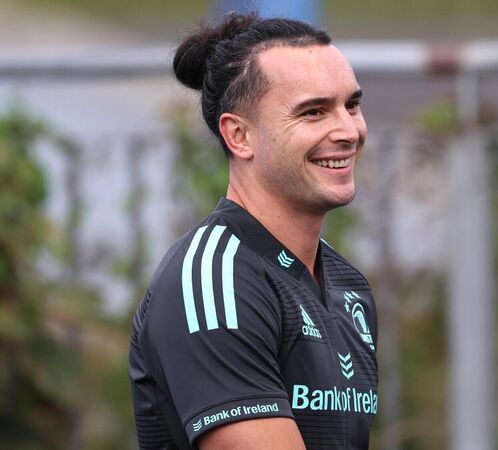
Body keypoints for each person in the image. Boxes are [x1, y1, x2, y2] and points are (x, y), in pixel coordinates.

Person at [128, 12, 378, 450]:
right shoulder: (217, 278)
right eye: (314, 112)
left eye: (351, 105)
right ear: (239, 135)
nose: (348, 131)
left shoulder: (347, 284)